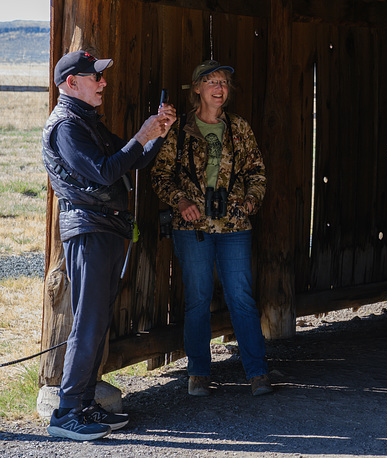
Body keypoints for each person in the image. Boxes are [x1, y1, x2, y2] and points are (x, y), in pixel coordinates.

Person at [42, 50, 177, 441]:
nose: (103, 82)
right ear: (72, 83)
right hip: (90, 229)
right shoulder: (67, 126)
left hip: (104, 228)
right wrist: (142, 135)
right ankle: (67, 414)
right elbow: (105, 172)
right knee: (89, 321)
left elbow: (128, 160)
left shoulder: (85, 121)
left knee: (97, 319)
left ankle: (82, 406)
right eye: (94, 77)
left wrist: (157, 135)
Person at [150, 60, 272, 398]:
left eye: (224, 82)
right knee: (198, 299)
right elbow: (160, 175)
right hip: (193, 229)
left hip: (234, 226)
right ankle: (199, 374)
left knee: (241, 298)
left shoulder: (239, 128)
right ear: (197, 89)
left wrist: (250, 202)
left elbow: (257, 172)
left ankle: (257, 373)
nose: (220, 88)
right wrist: (180, 202)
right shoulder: (179, 129)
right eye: (213, 81)